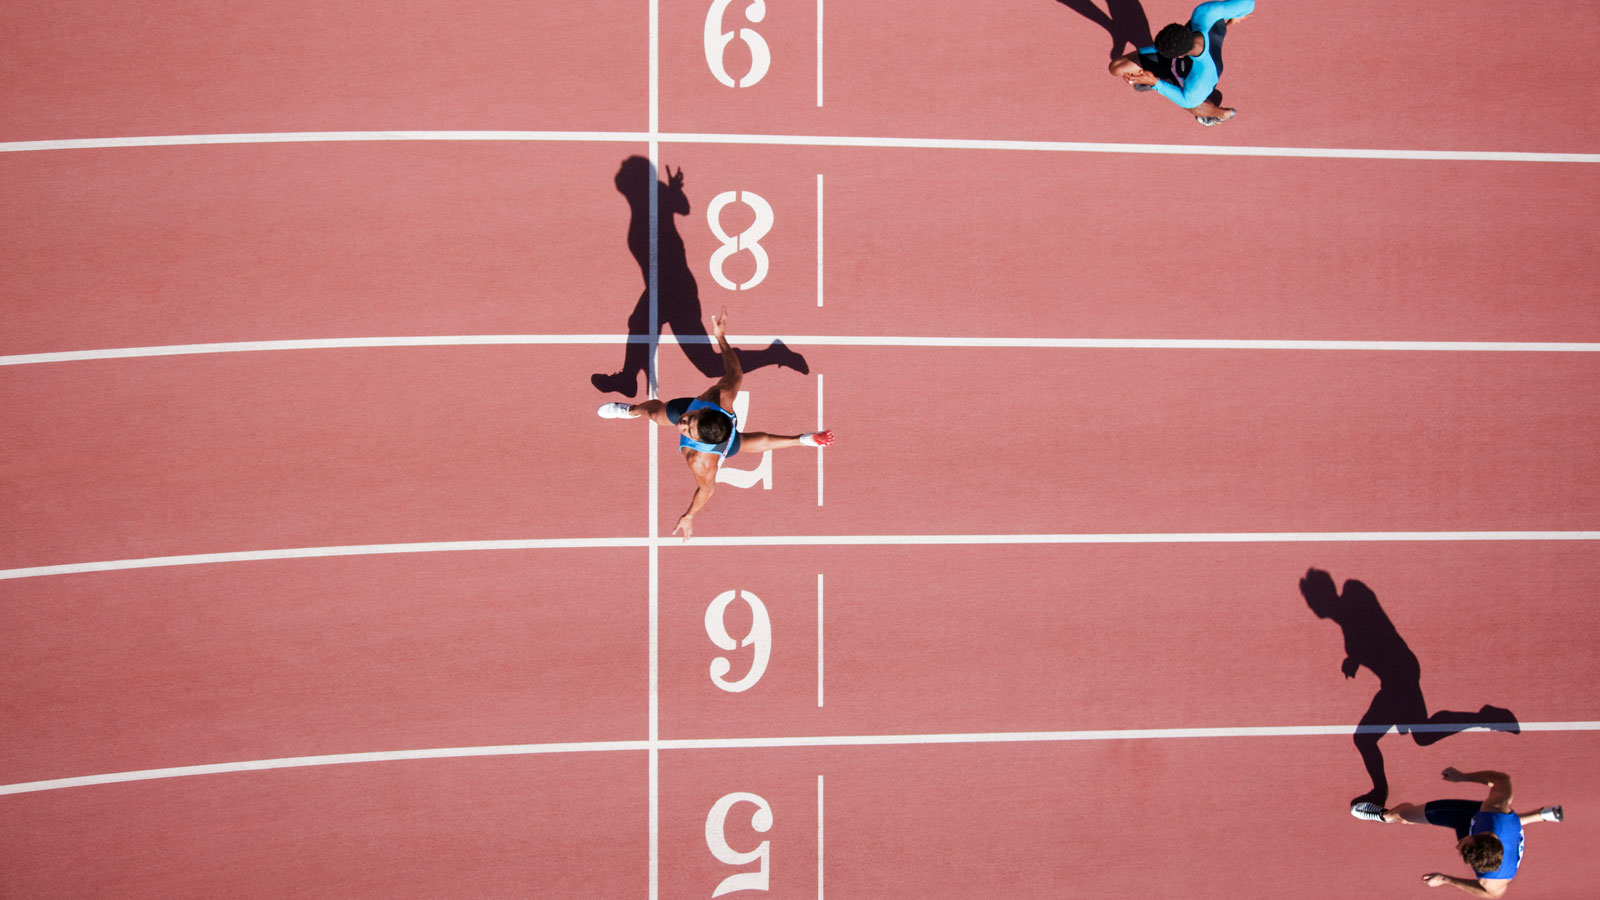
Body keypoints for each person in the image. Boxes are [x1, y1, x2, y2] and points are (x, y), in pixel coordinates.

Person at [597, 309, 832, 540]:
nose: (682, 425)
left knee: (745, 443)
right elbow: (736, 371)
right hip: (715, 417)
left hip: (725, 444)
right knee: (656, 415)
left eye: (689, 431)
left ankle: (802, 439)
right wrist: (721, 337)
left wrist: (689, 516)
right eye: (690, 420)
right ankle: (629, 410)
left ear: (699, 442)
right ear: (705, 409)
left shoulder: (701, 462)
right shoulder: (720, 395)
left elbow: (706, 490)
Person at [1352, 767, 1564, 897]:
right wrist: (1462, 777)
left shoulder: (1492, 878)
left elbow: (1491, 895)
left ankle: (1542, 815)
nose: (1456, 844)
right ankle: (1386, 815)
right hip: (1477, 816)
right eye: (1463, 844)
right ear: (1478, 834)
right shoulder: (1495, 811)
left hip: (1501, 831)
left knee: (1513, 823)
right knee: (1404, 816)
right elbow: (1502, 779)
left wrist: (1446, 879)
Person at [1108, 0, 1254, 125]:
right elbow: (1248, 2)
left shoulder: (1200, 82)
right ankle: (1164, 78)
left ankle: (1219, 113)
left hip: (1189, 79)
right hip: (1176, 58)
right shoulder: (1204, 13)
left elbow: (1186, 101)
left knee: (1195, 106)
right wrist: (1238, 15)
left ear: (1180, 55)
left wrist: (1154, 82)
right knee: (1116, 68)